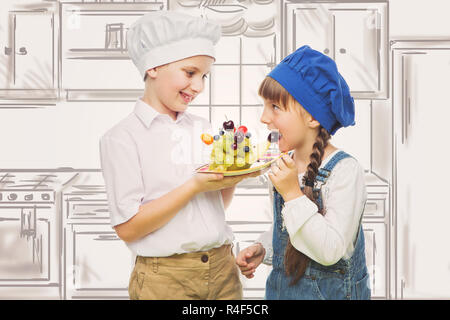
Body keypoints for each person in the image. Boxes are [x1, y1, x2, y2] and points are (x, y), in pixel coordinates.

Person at [99, 11, 257, 300]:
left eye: (204, 76)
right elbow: (128, 229)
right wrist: (193, 186)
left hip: (223, 269)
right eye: (190, 72)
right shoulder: (122, 138)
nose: (198, 87)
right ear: (153, 67)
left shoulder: (202, 129)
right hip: (165, 280)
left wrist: (233, 174)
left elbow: (215, 205)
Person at [235, 45, 371, 300]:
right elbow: (289, 228)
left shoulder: (344, 171)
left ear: (312, 117)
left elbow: (330, 249)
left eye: (275, 107)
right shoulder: (284, 162)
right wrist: (265, 248)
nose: (264, 117)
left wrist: (292, 194)